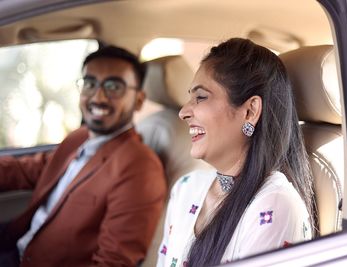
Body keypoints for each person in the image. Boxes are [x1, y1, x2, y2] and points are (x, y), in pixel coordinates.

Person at [0, 45, 167, 267]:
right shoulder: (79, 138)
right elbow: (25, 170)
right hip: (15, 246)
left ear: (138, 99)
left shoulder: (140, 168)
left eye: (113, 86)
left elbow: (113, 262)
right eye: (89, 84)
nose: (98, 97)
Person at [156, 38, 317, 267]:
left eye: (200, 97)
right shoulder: (185, 188)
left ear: (250, 111)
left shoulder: (274, 205)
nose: (183, 112)